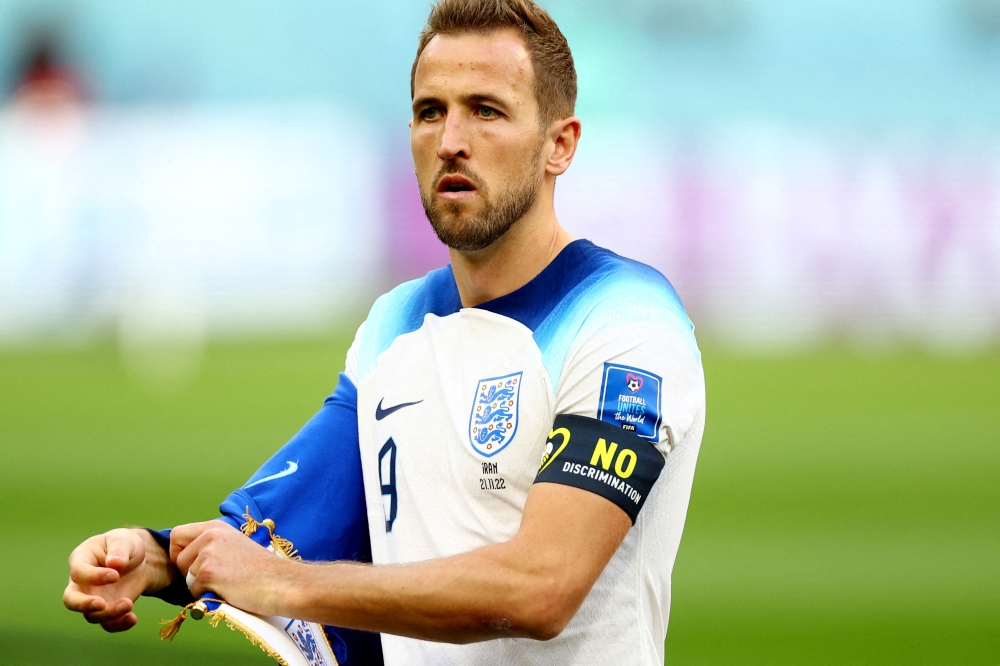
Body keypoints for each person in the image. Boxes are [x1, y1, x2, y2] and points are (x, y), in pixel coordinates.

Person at [62, 1, 706, 664]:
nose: (451, 139)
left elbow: (542, 588)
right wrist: (158, 556)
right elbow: (293, 514)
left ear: (559, 144)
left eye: (486, 110)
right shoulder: (393, 324)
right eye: (431, 111)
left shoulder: (625, 319)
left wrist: (286, 586)